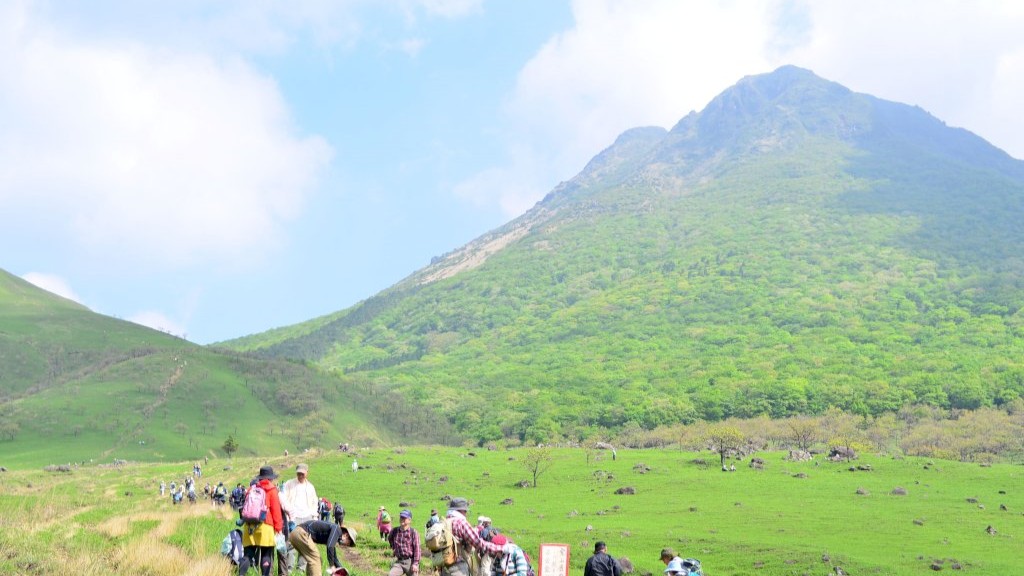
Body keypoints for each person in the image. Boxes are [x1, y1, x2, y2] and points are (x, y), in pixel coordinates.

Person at [442, 497, 511, 576]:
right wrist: (500, 548)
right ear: (460, 510)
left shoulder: (445, 522)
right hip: (458, 566)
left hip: (444, 566)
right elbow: (478, 542)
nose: (466, 513)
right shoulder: (460, 522)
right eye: (465, 511)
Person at [239, 465, 284, 576]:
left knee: (248, 554)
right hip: (266, 526)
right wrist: (278, 528)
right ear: (271, 478)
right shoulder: (272, 490)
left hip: (249, 526)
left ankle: (240, 574)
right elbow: (276, 511)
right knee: (266, 554)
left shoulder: (251, 489)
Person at [281, 463, 319, 572]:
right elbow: (283, 498)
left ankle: (301, 569)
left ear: (307, 473)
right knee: (291, 542)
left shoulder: (310, 487)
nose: (300, 475)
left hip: (307, 517)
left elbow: (314, 502)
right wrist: (288, 513)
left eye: (302, 473)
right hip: (293, 517)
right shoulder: (289, 484)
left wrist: (314, 516)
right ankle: (289, 568)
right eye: (298, 473)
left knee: (305, 543)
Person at [387, 510, 421, 576]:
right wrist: (394, 548)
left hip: (410, 562)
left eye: (404, 518)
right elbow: (390, 539)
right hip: (399, 562)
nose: (402, 519)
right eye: (401, 517)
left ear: (409, 520)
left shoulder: (413, 532)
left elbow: (417, 549)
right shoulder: (394, 531)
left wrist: (415, 564)